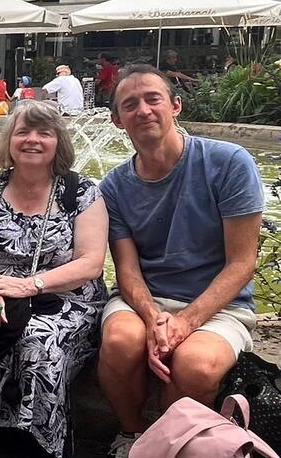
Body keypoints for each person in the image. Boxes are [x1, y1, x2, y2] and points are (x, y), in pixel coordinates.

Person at [96, 65, 264, 458]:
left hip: (219, 304)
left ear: (175, 106)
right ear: (117, 120)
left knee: (198, 367)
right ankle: (131, 434)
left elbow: (242, 263)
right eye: (130, 104)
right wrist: (154, 316)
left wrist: (186, 322)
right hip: (145, 300)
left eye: (153, 99)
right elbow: (127, 269)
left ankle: (165, 445)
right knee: (121, 342)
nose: (144, 110)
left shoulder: (229, 163)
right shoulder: (115, 186)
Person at [0, 100, 108, 458]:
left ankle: (40, 442)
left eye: (43, 133)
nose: (32, 140)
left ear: (57, 142)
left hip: (67, 296)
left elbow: (91, 263)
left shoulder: (81, 192)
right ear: (10, 141)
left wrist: (27, 285)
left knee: (38, 340)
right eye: (23, 132)